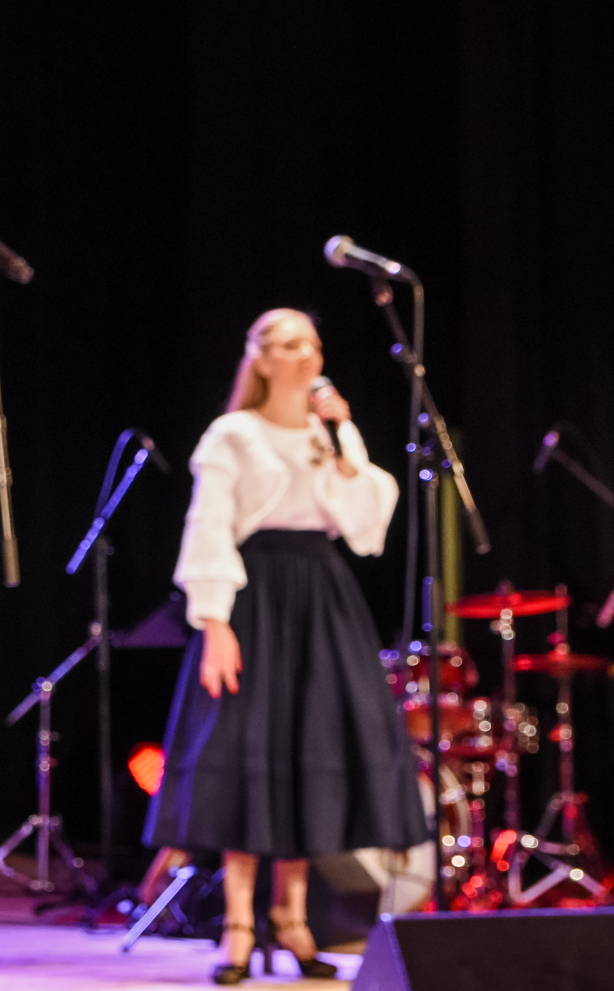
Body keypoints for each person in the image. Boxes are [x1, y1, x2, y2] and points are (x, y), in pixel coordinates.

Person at [144, 309, 428, 984]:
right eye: (292, 344)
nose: (308, 355)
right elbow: (209, 526)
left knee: (307, 755)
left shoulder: (327, 434)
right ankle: (238, 926)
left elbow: (365, 525)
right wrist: (214, 622)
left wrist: (343, 439)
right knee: (252, 753)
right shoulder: (234, 434)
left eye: (314, 344)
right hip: (255, 597)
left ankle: (293, 918)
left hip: (322, 598)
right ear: (262, 358)